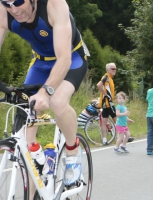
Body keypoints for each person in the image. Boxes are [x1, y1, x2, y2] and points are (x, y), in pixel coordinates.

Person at [0, 0, 89, 197]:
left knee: (57, 101)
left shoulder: (54, 5)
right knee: (24, 141)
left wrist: (45, 91)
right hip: (40, 64)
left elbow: (64, 58)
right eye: (7, 3)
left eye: (18, 2)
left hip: (72, 58)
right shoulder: (3, 11)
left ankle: (72, 151)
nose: (13, 9)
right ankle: (36, 164)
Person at [96, 63, 135, 145]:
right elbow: (99, 85)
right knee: (117, 119)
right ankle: (123, 137)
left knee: (104, 121)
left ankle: (104, 140)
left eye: (115, 69)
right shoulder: (106, 77)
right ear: (108, 70)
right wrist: (105, 94)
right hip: (108, 103)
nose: (114, 70)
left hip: (105, 104)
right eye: (112, 69)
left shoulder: (109, 78)